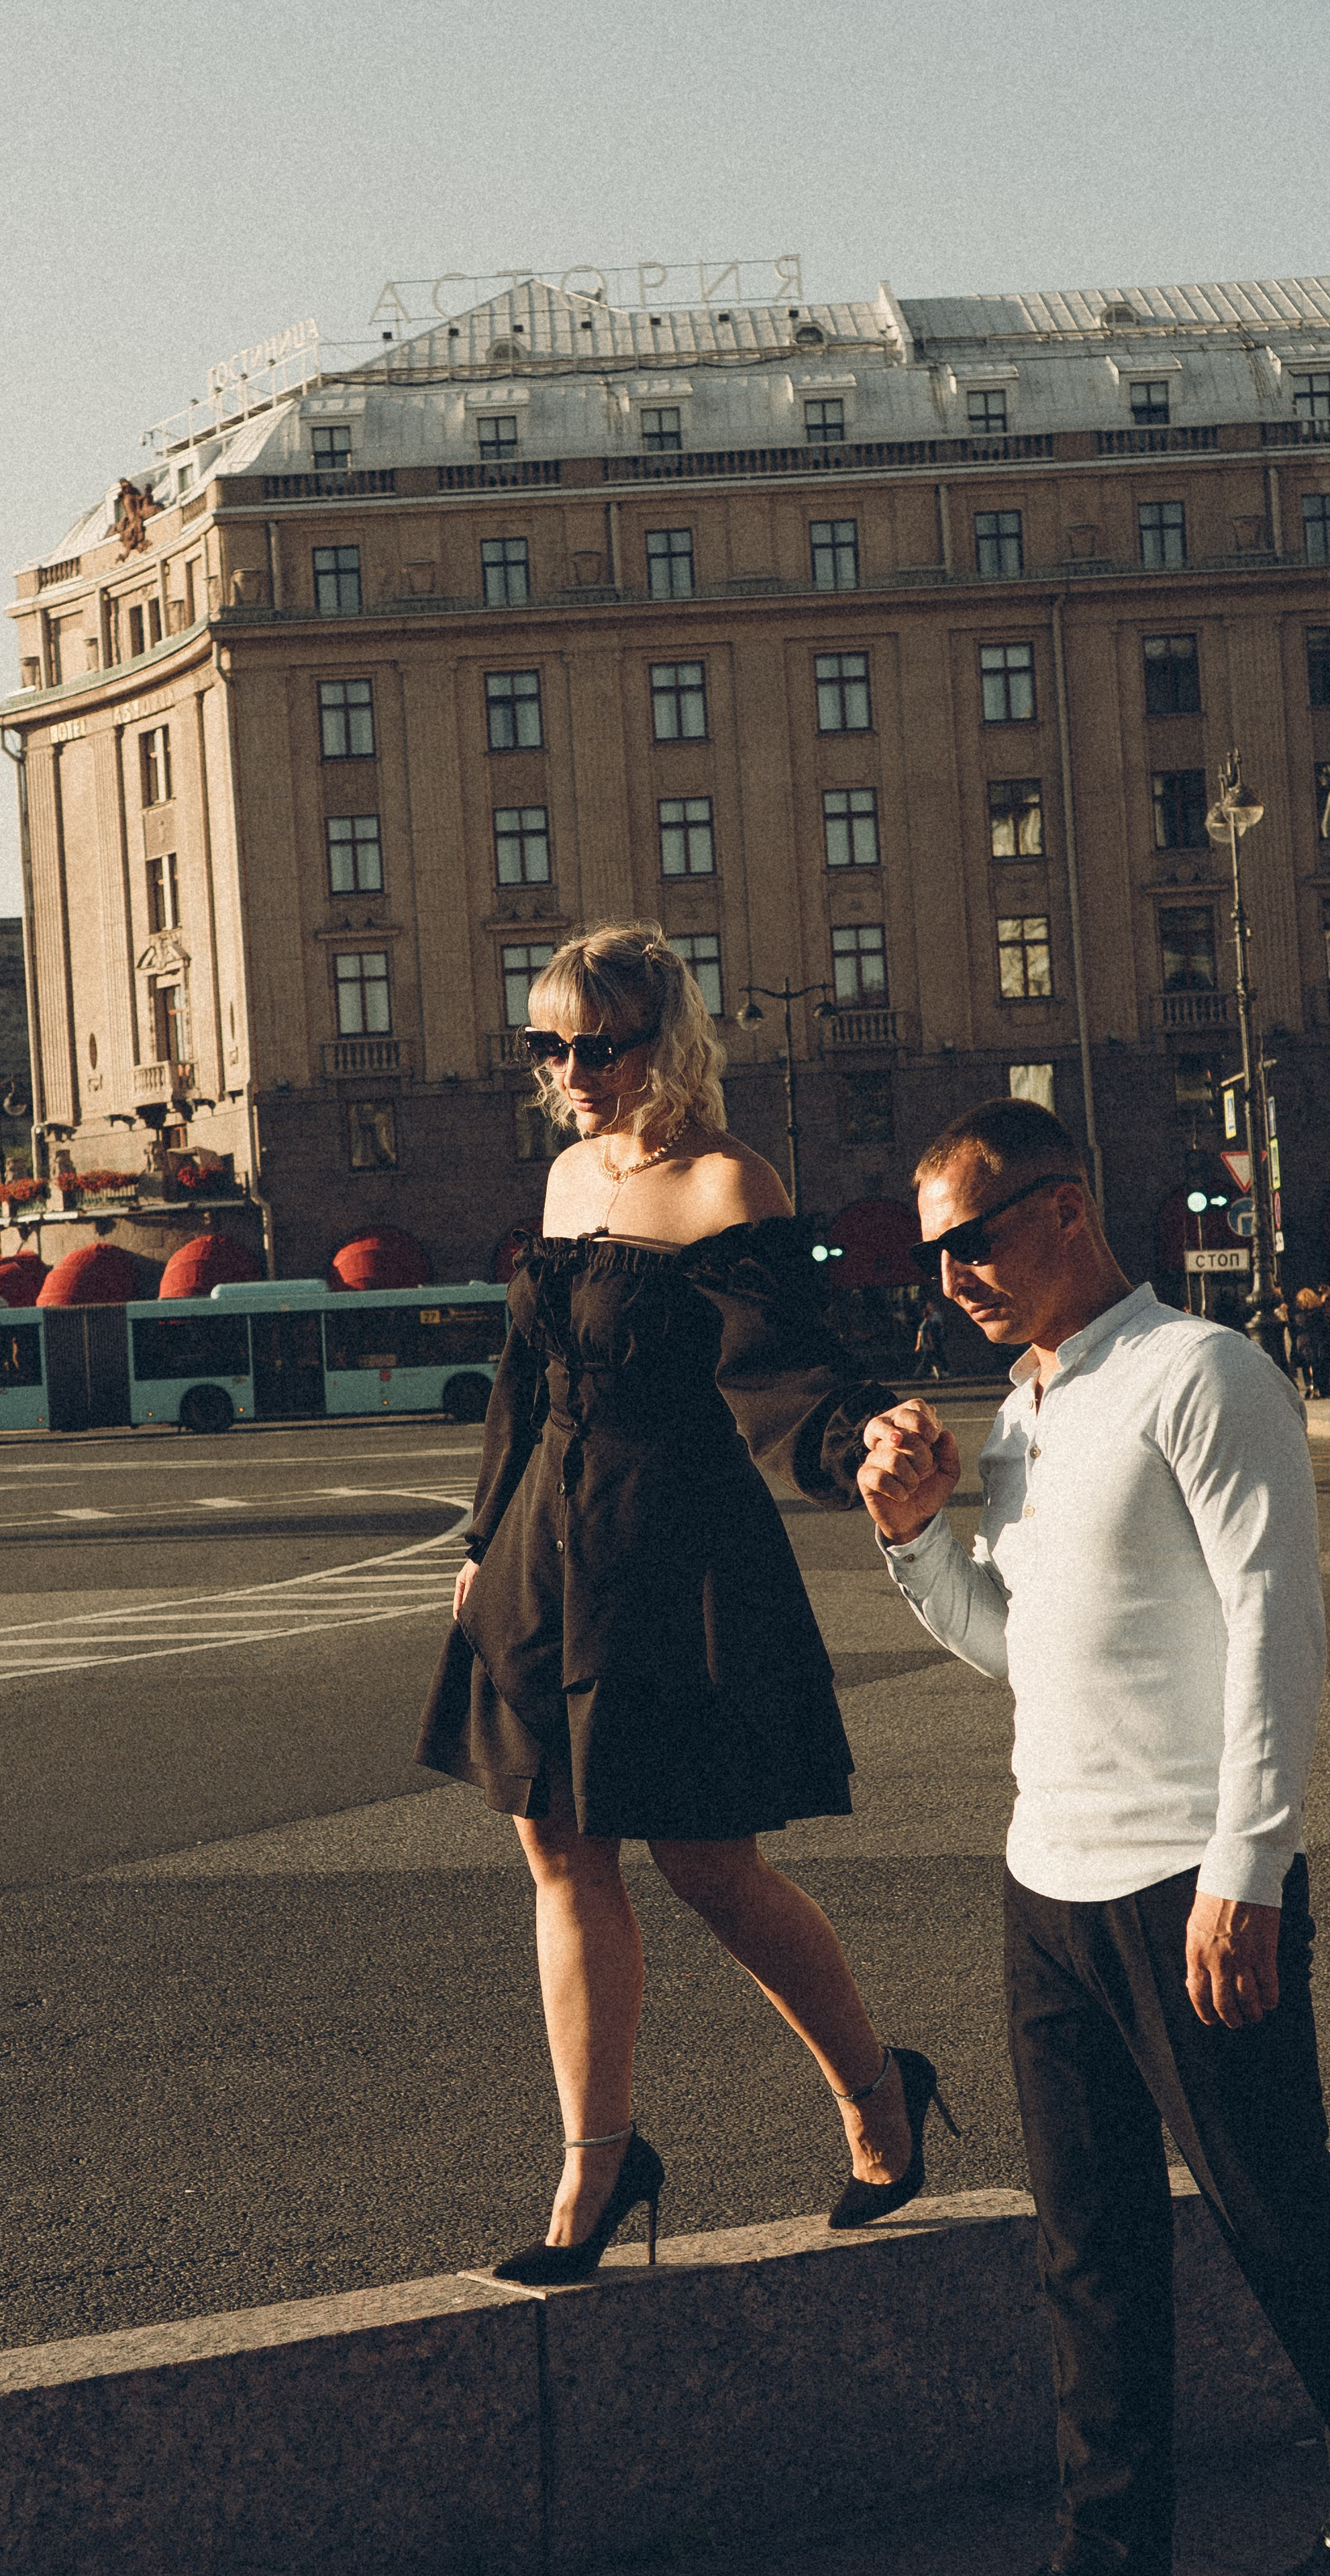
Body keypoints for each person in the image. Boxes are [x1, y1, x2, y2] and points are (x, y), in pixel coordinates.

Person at [856, 1096, 1330, 2576]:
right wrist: (914, 1539)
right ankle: (1110, 2547)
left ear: (1066, 1208)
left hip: (1186, 1879)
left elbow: (1277, 1626)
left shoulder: (1203, 1373)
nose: (950, 1276)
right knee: (1087, 2255)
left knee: (1279, 2219)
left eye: (972, 1239)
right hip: (1046, 1882)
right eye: (935, 1252)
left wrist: (1246, 1868)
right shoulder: (1020, 1417)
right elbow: (1016, 1648)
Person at [416, 923, 956, 2286]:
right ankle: (593, 2170)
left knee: (709, 1864)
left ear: (665, 1043)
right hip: (546, 1557)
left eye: (597, 1046)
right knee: (557, 1849)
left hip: (678, 1556)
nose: (570, 1072)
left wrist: (862, 1443)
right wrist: (481, 1538)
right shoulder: (562, 1176)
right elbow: (524, 1384)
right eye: (548, 1046)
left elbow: (788, 1370)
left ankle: (875, 2093)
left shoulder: (728, 1180)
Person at [909, 1298, 948, 1381]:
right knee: (926, 1361)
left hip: (924, 1345)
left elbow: (919, 1334)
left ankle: (939, 1375)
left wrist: (918, 1345)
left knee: (932, 1360)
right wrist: (932, 1344)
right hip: (928, 1345)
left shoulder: (922, 1324)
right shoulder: (928, 1324)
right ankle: (917, 1375)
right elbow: (929, 1335)